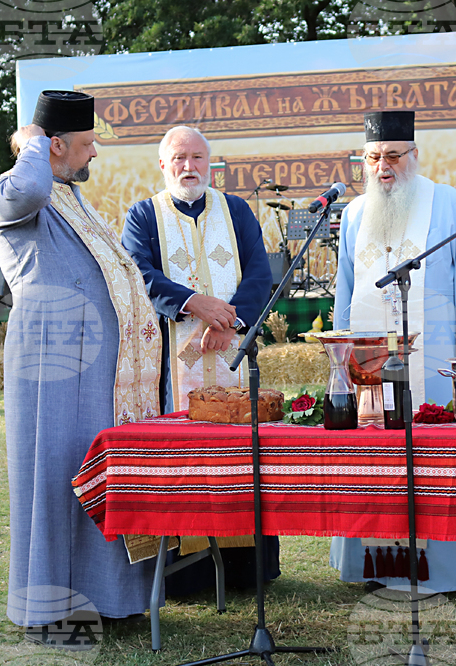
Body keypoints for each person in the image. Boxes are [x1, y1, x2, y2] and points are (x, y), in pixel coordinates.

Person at [0, 91, 162, 628]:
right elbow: (31, 184)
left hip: (100, 372)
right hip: (53, 363)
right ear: (54, 144)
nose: (95, 154)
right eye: (86, 145)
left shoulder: (72, 196)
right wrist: (32, 142)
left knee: (100, 475)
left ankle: (110, 598)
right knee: (55, 473)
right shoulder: (15, 189)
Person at [331, 110, 456, 593]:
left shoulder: (446, 202)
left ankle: (443, 568)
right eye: (374, 157)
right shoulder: (356, 212)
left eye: (394, 156)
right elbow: (344, 288)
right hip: (369, 357)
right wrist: (340, 362)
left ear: (414, 156)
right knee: (373, 454)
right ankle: (373, 567)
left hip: (436, 358)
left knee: (431, 456)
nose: (384, 166)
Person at [122, 125, 279, 591]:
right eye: (179, 158)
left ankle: (246, 571)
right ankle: (187, 576)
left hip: (230, 348)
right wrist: (195, 303)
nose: (188, 167)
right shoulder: (144, 215)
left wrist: (228, 320)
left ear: (209, 163)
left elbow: (259, 270)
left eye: (197, 158)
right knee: (185, 450)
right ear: (162, 164)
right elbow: (140, 275)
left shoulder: (236, 210)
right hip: (173, 358)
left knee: (239, 449)